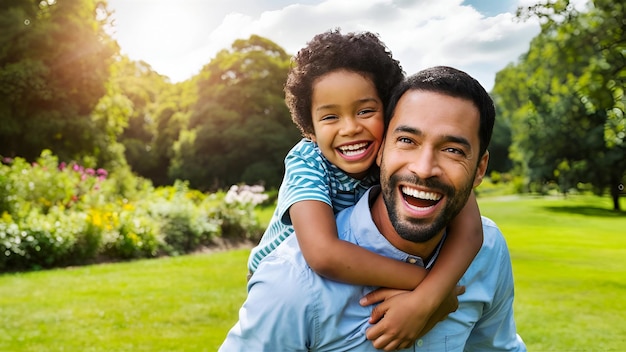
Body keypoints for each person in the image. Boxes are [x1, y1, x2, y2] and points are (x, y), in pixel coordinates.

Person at [220, 66, 526, 351]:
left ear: (479, 169)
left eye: (452, 150)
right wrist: (432, 293)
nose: (423, 168)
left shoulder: (489, 250)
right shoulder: (292, 283)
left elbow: (473, 235)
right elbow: (322, 253)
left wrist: (427, 298)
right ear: (382, 149)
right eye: (407, 140)